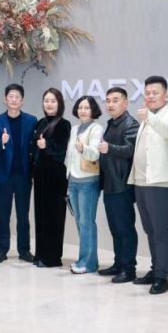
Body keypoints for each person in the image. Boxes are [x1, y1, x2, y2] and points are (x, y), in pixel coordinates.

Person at [128, 76, 168, 295]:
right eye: (147, 93)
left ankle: (162, 276)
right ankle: (155, 268)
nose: (150, 96)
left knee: (159, 230)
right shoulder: (146, 117)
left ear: (165, 95)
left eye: (155, 93)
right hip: (141, 181)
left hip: (160, 182)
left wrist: (149, 117)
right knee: (149, 229)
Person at [0, 83, 38, 264]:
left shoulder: (31, 120)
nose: (14, 99)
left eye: (17, 97)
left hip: (24, 175)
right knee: (3, 214)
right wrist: (1, 142)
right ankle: (2, 250)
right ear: (5, 99)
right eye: (11, 96)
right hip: (4, 175)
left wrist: (34, 171)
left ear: (22, 101)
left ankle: (24, 250)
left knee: (23, 214)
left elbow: (34, 148)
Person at [97, 87, 140, 284]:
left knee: (125, 229)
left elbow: (130, 149)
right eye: (108, 101)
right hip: (110, 184)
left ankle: (129, 269)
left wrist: (109, 148)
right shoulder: (112, 123)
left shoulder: (130, 124)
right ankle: (118, 263)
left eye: (115, 100)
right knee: (115, 228)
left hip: (122, 184)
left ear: (126, 103)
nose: (111, 104)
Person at [30, 88, 71, 269]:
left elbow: (62, 149)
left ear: (59, 103)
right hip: (40, 173)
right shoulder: (41, 122)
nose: (49, 104)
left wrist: (47, 145)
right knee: (40, 215)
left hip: (55, 174)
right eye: (46, 100)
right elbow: (34, 149)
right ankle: (41, 253)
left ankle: (52, 257)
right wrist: (33, 171)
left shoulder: (64, 124)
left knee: (53, 216)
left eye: (53, 101)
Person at [64, 95, 104, 274]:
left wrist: (83, 148)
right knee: (80, 222)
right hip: (73, 181)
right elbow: (70, 156)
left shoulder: (96, 128)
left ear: (93, 110)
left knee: (87, 223)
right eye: (80, 107)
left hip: (88, 182)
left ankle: (88, 264)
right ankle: (86, 260)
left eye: (87, 107)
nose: (83, 111)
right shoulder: (75, 129)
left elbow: (95, 153)